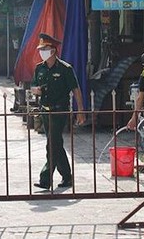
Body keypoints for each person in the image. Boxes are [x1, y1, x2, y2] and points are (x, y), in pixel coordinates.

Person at [31, 33, 85, 190]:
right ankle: (67, 177)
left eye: (45, 49)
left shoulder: (65, 69)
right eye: (41, 49)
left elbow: (76, 90)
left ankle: (45, 178)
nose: (42, 51)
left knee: (51, 144)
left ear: (53, 51)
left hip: (59, 111)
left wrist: (80, 111)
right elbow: (34, 85)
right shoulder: (39, 68)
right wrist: (36, 90)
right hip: (45, 111)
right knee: (56, 143)